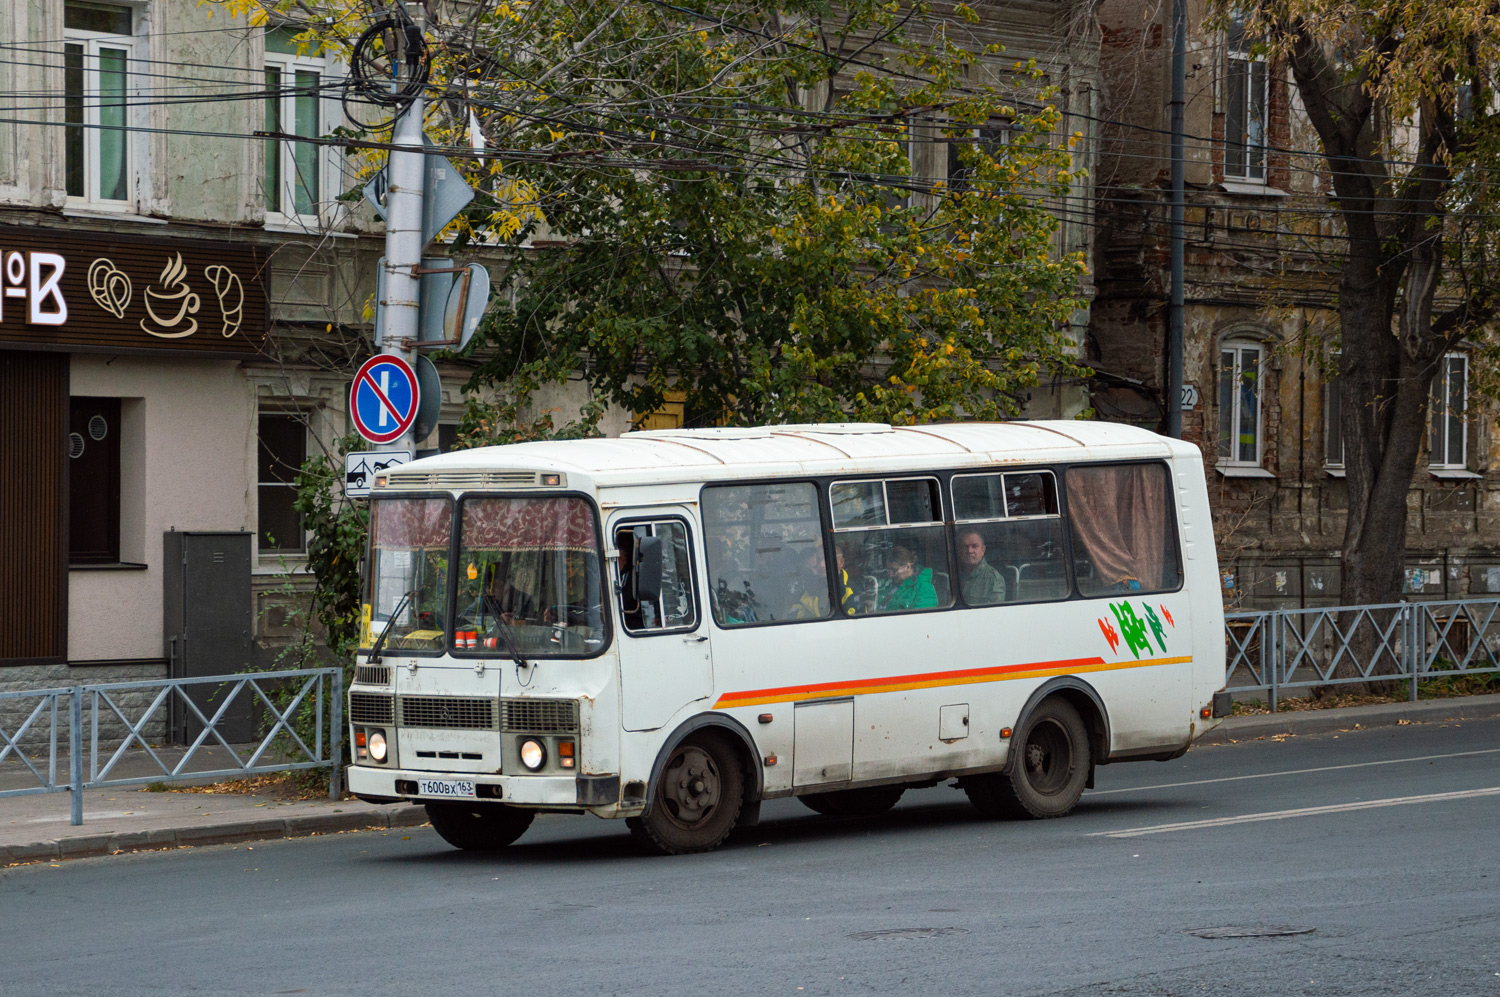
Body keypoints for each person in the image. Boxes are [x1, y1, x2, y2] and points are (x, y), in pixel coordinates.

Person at [878, 545, 938, 612]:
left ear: (908, 567)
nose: (891, 575)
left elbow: (922, 617)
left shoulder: (924, 588)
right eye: (889, 570)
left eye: (894, 570)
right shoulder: (887, 584)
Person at [956, 528, 1007, 605]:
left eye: (974, 546)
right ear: (959, 550)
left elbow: (995, 611)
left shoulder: (993, 579)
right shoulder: (954, 574)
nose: (969, 551)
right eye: (965, 547)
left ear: (983, 550)